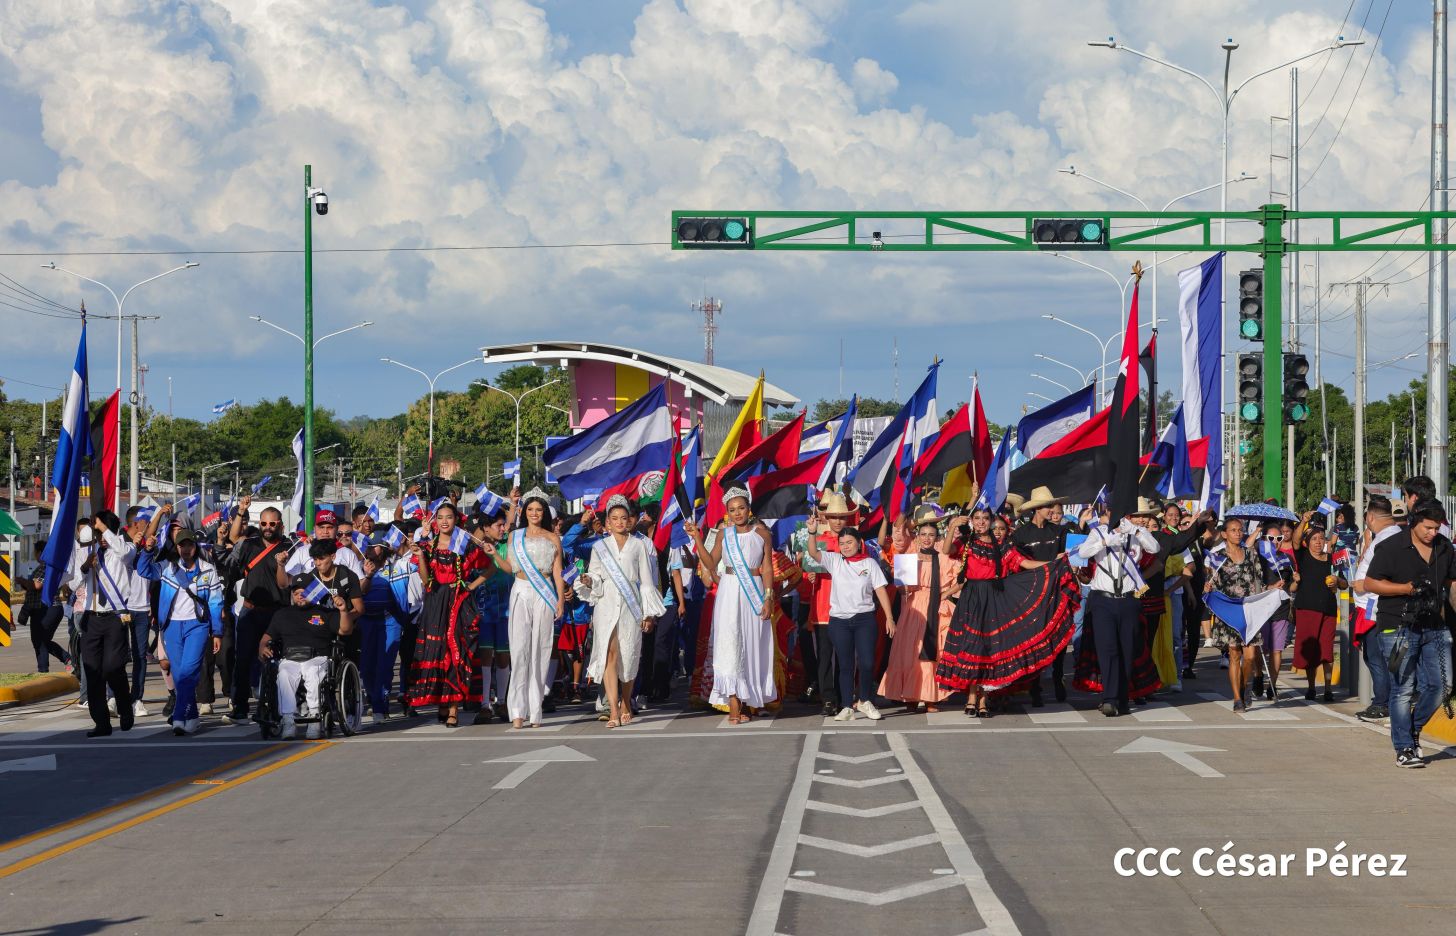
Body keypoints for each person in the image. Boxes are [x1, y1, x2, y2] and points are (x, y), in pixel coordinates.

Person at [937, 506, 1071, 717]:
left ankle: (983, 699)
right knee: (973, 646)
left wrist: (1056, 562)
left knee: (989, 649)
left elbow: (1025, 563)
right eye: (978, 518)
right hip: (972, 598)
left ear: (990, 521)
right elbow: (946, 551)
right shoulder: (967, 542)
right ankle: (972, 696)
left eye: (985, 518)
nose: (981, 522)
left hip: (994, 598)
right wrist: (953, 525)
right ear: (972, 520)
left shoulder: (1003, 546)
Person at [1362, 500, 1456, 768]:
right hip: (1397, 626)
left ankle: (1411, 730)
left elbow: (1451, 583)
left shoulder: (1444, 547)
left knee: (1443, 686)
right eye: (1428, 527)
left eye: (1437, 528)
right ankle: (1404, 748)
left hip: (1433, 625)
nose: (1432, 533)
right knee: (1403, 688)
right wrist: (1405, 588)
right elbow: (1369, 583)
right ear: (1414, 521)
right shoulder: (1391, 547)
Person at [686, 489, 776, 725]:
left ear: (749, 509)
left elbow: (767, 568)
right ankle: (733, 703)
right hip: (729, 590)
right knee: (730, 643)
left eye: (741, 508)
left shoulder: (762, 533)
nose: (737, 513)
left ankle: (746, 700)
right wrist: (697, 538)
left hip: (754, 590)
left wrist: (768, 596)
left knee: (751, 643)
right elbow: (710, 563)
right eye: (732, 509)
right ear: (727, 512)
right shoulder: (723, 535)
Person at [575, 495, 665, 728]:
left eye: (623, 518)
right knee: (609, 653)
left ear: (630, 520)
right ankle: (613, 708)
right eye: (614, 518)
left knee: (629, 654)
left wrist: (648, 613)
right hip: (606, 605)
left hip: (631, 606)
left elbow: (647, 582)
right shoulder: (599, 547)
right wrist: (588, 580)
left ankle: (627, 701)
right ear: (607, 523)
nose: (619, 522)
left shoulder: (640, 546)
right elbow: (595, 575)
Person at [409, 502, 493, 727]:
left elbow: (490, 567)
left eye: (449, 517)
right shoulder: (428, 546)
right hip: (436, 603)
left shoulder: (465, 544)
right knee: (437, 652)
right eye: (440, 518)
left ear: (456, 520)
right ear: (435, 521)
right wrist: (421, 557)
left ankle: (454, 707)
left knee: (457, 651)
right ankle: (442, 703)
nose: (444, 521)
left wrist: (472, 585)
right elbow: (426, 581)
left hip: (459, 603)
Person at [136, 526, 226, 735]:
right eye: (181, 545)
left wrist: (217, 632)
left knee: (189, 671)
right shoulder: (168, 567)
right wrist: (148, 551)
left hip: (197, 626)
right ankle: (192, 716)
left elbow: (215, 603)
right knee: (179, 674)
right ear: (176, 548)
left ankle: (178, 716)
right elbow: (143, 570)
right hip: (172, 626)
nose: (186, 549)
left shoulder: (207, 570)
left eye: (189, 545)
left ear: (195, 547)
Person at [805, 516, 894, 721]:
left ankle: (864, 700)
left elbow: (880, 591)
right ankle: (846, 706)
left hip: (865, 620)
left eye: (849, 542)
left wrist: (889, 618)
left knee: (867, 662)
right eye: (842, 543)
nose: (845, 546)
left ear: (859, 543)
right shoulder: (834, 560)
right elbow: (813, 552)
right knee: (845, 665)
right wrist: (812, 532)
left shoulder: (870, 563)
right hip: (839, 621)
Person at [1077, 508, 1161, 717]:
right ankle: (1109, 698)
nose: (1127, 517)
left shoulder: (1136, 533)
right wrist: (1106, 541)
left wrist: (1136, 530)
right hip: (1103, 600)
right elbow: (1083, 552)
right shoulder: (1099, 532)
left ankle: (1123, 697)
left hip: (1128, 599)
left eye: (1129, 514)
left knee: (1127, 649)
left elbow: (1155, 548)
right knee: (1108, 650)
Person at [879, 505, 962, 712]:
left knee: (935, 650)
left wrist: (947, 593)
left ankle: (931, 695)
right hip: (913, 605)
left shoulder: (943, 553)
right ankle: (911, 695)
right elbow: (897, 536)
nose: (927, 538)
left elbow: (962, 577)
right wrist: (902, 589)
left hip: (935, 605)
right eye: (923, 534)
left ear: (937, 536)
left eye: (931, 535)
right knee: (910, 650)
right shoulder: (910, 551)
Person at [259, 575, 356, 740]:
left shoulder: (325, 613)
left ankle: (314, 718)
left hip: (317, 657)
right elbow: (267, 637)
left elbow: (346, 631)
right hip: (290, 657)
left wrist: (343, 610)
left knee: (312, 671)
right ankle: (288, 720)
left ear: (312, 593)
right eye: (296, 593)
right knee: (283, 674)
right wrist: (262, 646)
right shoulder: (282, 614)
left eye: (304, 592)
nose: (300, 596)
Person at [69, 511, 137, 737]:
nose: (101, 537)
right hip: (91, 617)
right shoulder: (87, 552)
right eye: (98, 533)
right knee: (93, 671)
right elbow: (73, 585)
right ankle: (101, 722)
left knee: (112, 667)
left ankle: (125, 707)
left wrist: (106, 529)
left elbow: (126, 553)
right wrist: (86, 566)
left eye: (104, 531)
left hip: (115, 617)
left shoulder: (123, 550)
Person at [226, 496, 291, 725]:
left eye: (272, 524)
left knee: (277, 661)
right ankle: (240, 707)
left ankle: (278, 705)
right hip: (250, 610)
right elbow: (233, 537)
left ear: (280, 524)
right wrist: (242, 511)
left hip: (277, 612)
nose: (268, 528)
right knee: (242, 659)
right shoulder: (250, 544)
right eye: (264, 523)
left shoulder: (289, 548)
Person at [505, 488, 567, 729]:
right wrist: (493, 555)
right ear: (525, 512)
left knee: (540, 649)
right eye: (530, 509)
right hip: (520, 589)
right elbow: (509, 567)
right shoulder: (515, 537)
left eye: (538, 509)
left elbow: (558, 572)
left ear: (545, 512)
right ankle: (517, 711)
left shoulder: (553, 538)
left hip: (544, 592)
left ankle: (535, 710)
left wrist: (560, 600)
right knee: (519, 650)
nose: (534, 513)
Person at [793, 492, 857, 716]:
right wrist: (810, 575)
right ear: (827, 518)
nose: (838, 521)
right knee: (825, 655)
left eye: (842, 517)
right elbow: (808, 568)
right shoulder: (819, 541)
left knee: (846, 654)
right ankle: (828, 698)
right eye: (834, 517)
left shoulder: (854, 542)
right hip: (823, 606)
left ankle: (844, 696)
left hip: (849, 606)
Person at [1204, 518, 1269, 713]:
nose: (1238, 533)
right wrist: (1207, 586)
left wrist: (1271, 589)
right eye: (1233, 530)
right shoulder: (1218, 557)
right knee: (1234, 654)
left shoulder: (1251, 554)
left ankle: (1244, 685)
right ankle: (1237, 698)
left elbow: (1259, 580)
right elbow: (1211, 583)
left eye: (1240, 530)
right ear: (1224, 534)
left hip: (1249, 611)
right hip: (1229, 611)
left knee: (1249, 656)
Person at [1011, 486, 1068, 705]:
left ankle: (1058, 677)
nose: (1050, 509)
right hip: (1032, 591)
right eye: (1045, 506)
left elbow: (1070, 554)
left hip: (1056, 588)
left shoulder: (1057, 531)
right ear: (1036, 509)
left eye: (1049, 505)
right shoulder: (1020, 534)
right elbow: (1016, 564)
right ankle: (1035, 686)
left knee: (1060, 635)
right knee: (1036, 638)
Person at [358, 528, 421, 723]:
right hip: (366, 621)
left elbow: (420, 564)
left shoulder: (400, 566)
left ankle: (380, 705)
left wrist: (421, 544)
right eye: (368, 545)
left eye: (374, 546)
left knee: (385, 665)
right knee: (367, 666)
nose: (369, 549)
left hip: (391, 621)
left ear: (384, 548)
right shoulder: (358, 566)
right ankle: (373, 697)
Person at [1351, 495, 1400, 722]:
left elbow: (1378, 575)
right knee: (1375, 657)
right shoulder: (1386, 537)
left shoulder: (1386, 540)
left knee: (1376, 657)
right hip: (1370, 605)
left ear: (1370, 517)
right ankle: (1383, 700)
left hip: (1374, 606)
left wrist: (1361, 584)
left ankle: (1382, 702)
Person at [1290, 512, 1344, 702]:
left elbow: (1345, 583)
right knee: (1311, 652)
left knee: (1327, 651)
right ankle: (1312, 687)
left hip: (1328, 610)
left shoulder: (1331, 560)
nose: (1318, 542)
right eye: (1314, 539)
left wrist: (1337, 581)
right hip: (1307, 609)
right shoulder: (1303, 556)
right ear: (1307, 541)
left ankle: (1328, 689)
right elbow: (1295, 541)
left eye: (1321, 538)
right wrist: (1304, 521)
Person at [20, 560, 70, 673]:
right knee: (41, 640)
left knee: (40, 640)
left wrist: (21, 580)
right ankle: (65, 660)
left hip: (47, 608)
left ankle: (47, 668)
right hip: (46, 608)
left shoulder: (45, 567)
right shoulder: (49, 567)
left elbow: (37, 585)